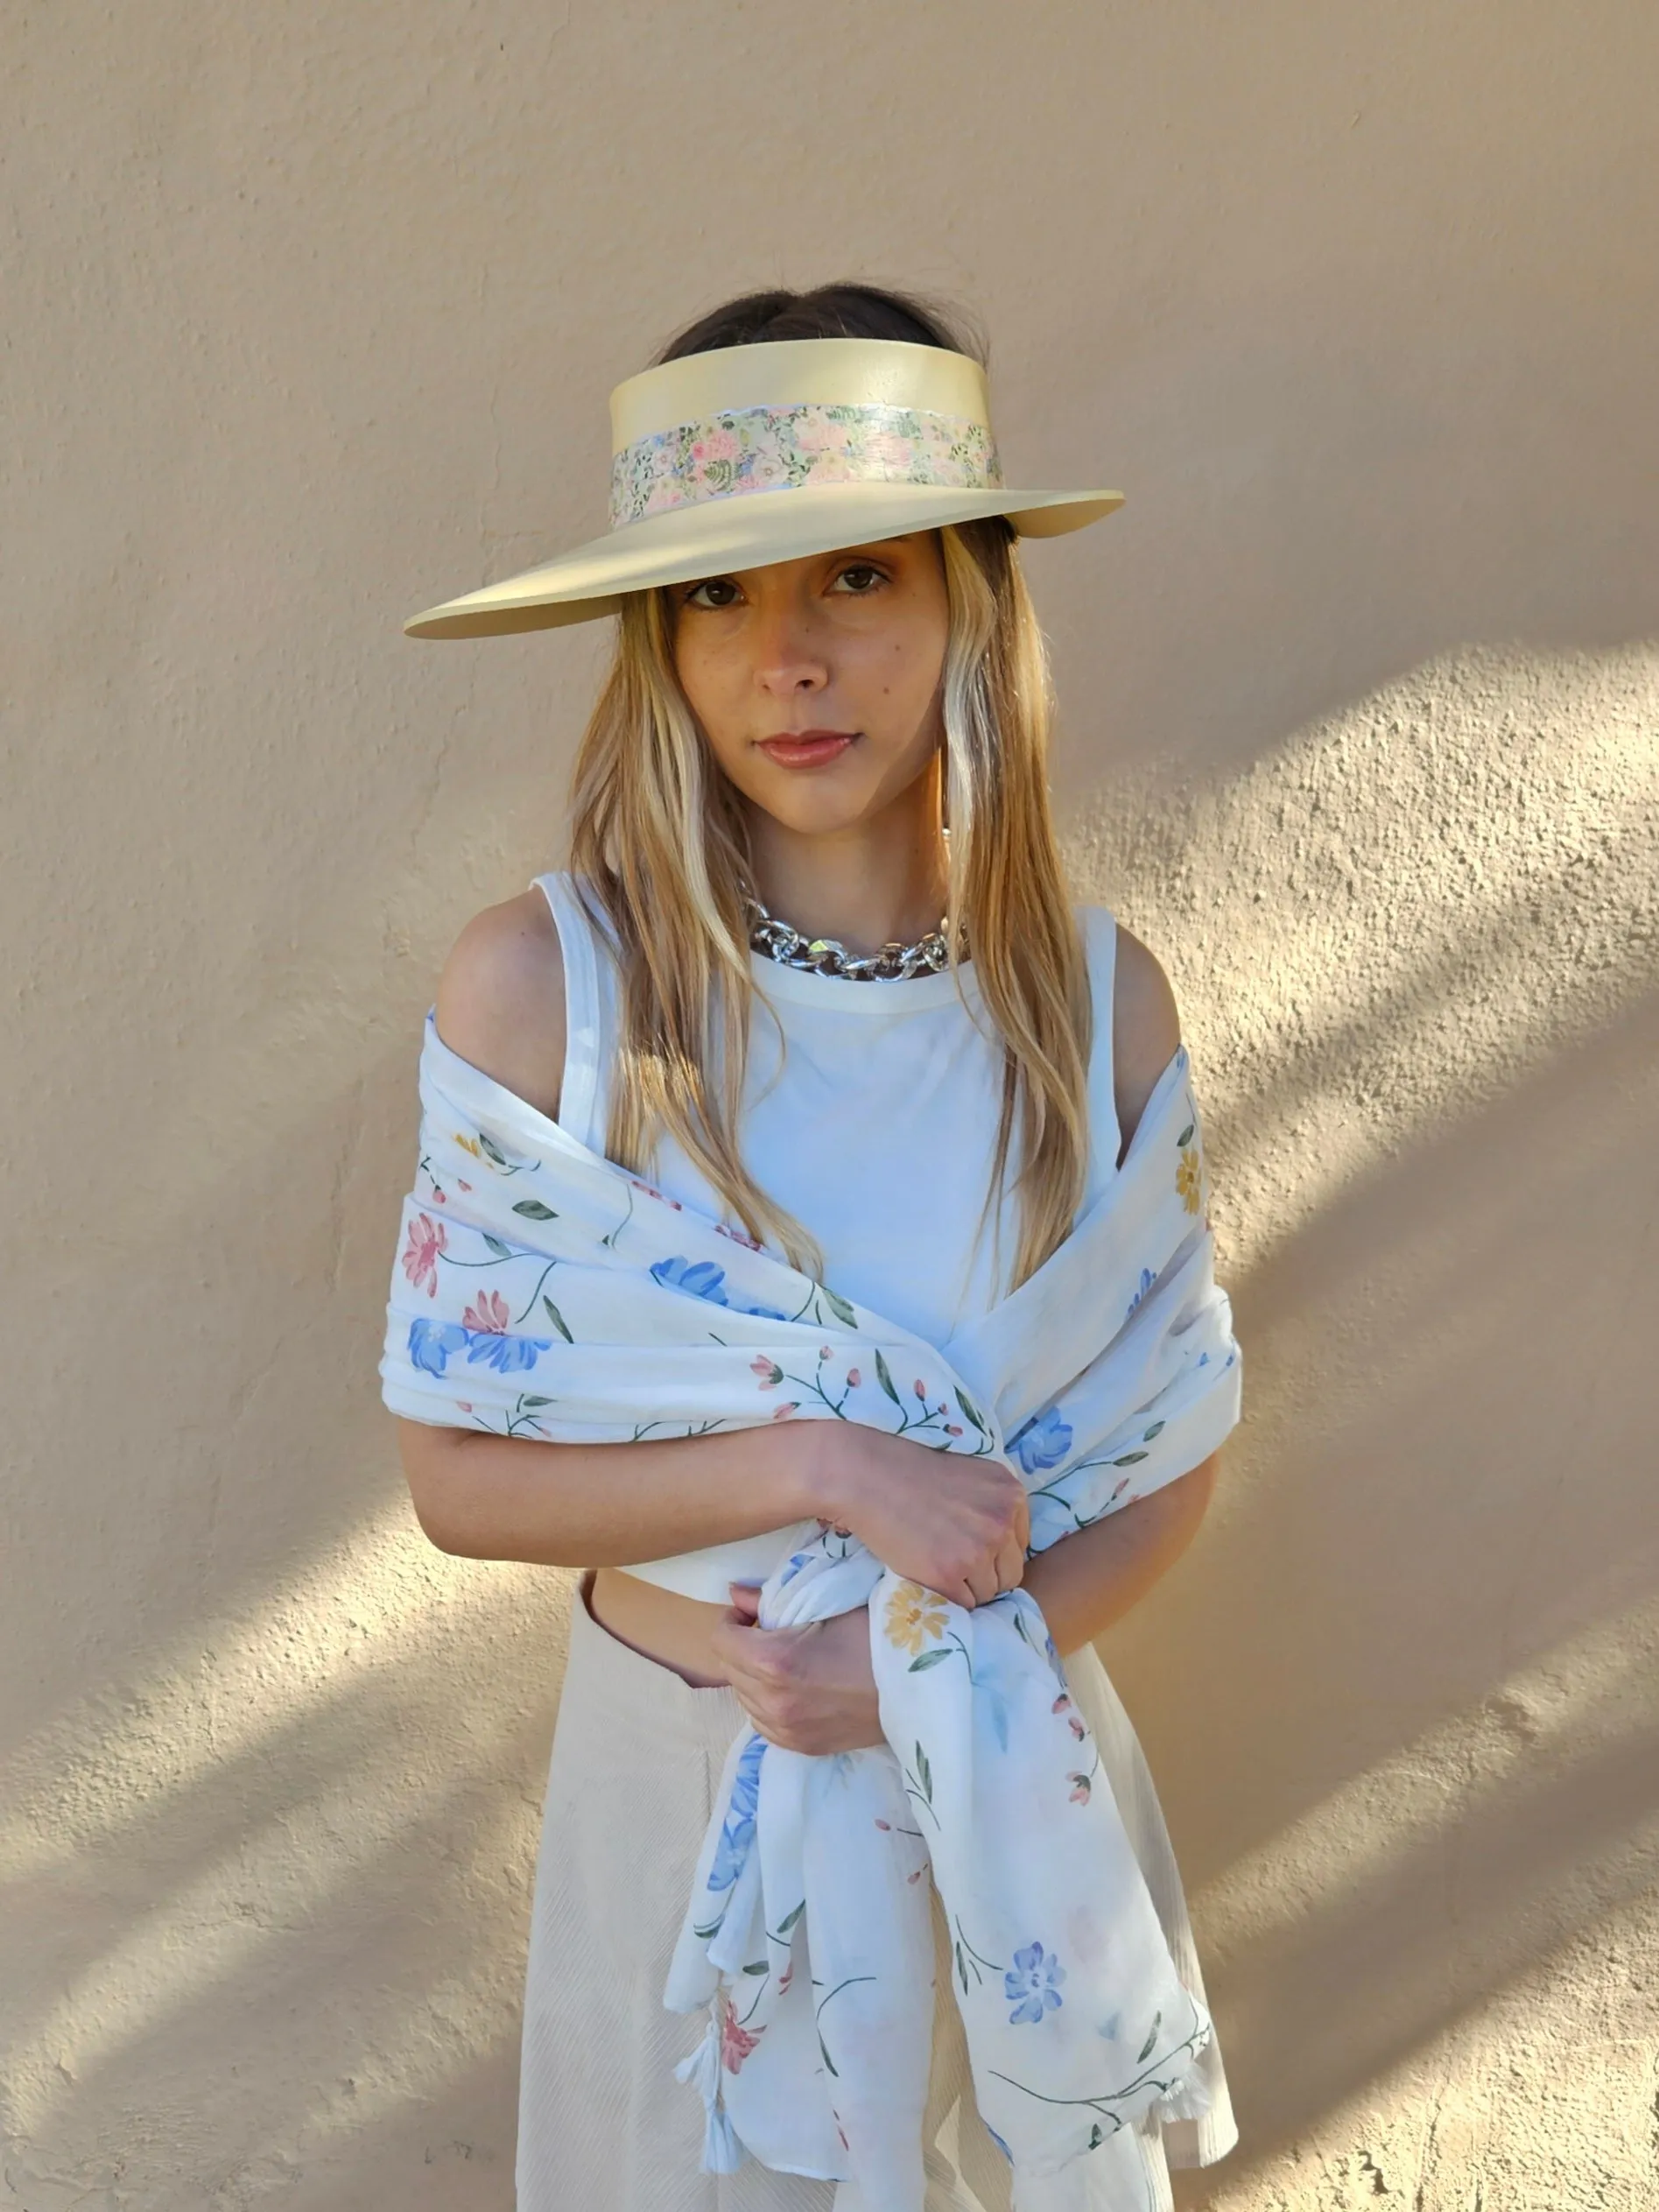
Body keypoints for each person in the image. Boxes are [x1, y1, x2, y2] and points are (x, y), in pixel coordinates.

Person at [388, 282, 1237, 2212]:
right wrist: (822, 1467)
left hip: (1011, 1791)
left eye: (851, 576)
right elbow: (455, 1477)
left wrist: (913, 1675)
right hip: (684, 1789)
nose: (784, 659)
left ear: (967, 605)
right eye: (713, 596)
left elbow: (1168, 1461)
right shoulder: (555, 996)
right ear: (653, 646)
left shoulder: (1094, 1012)